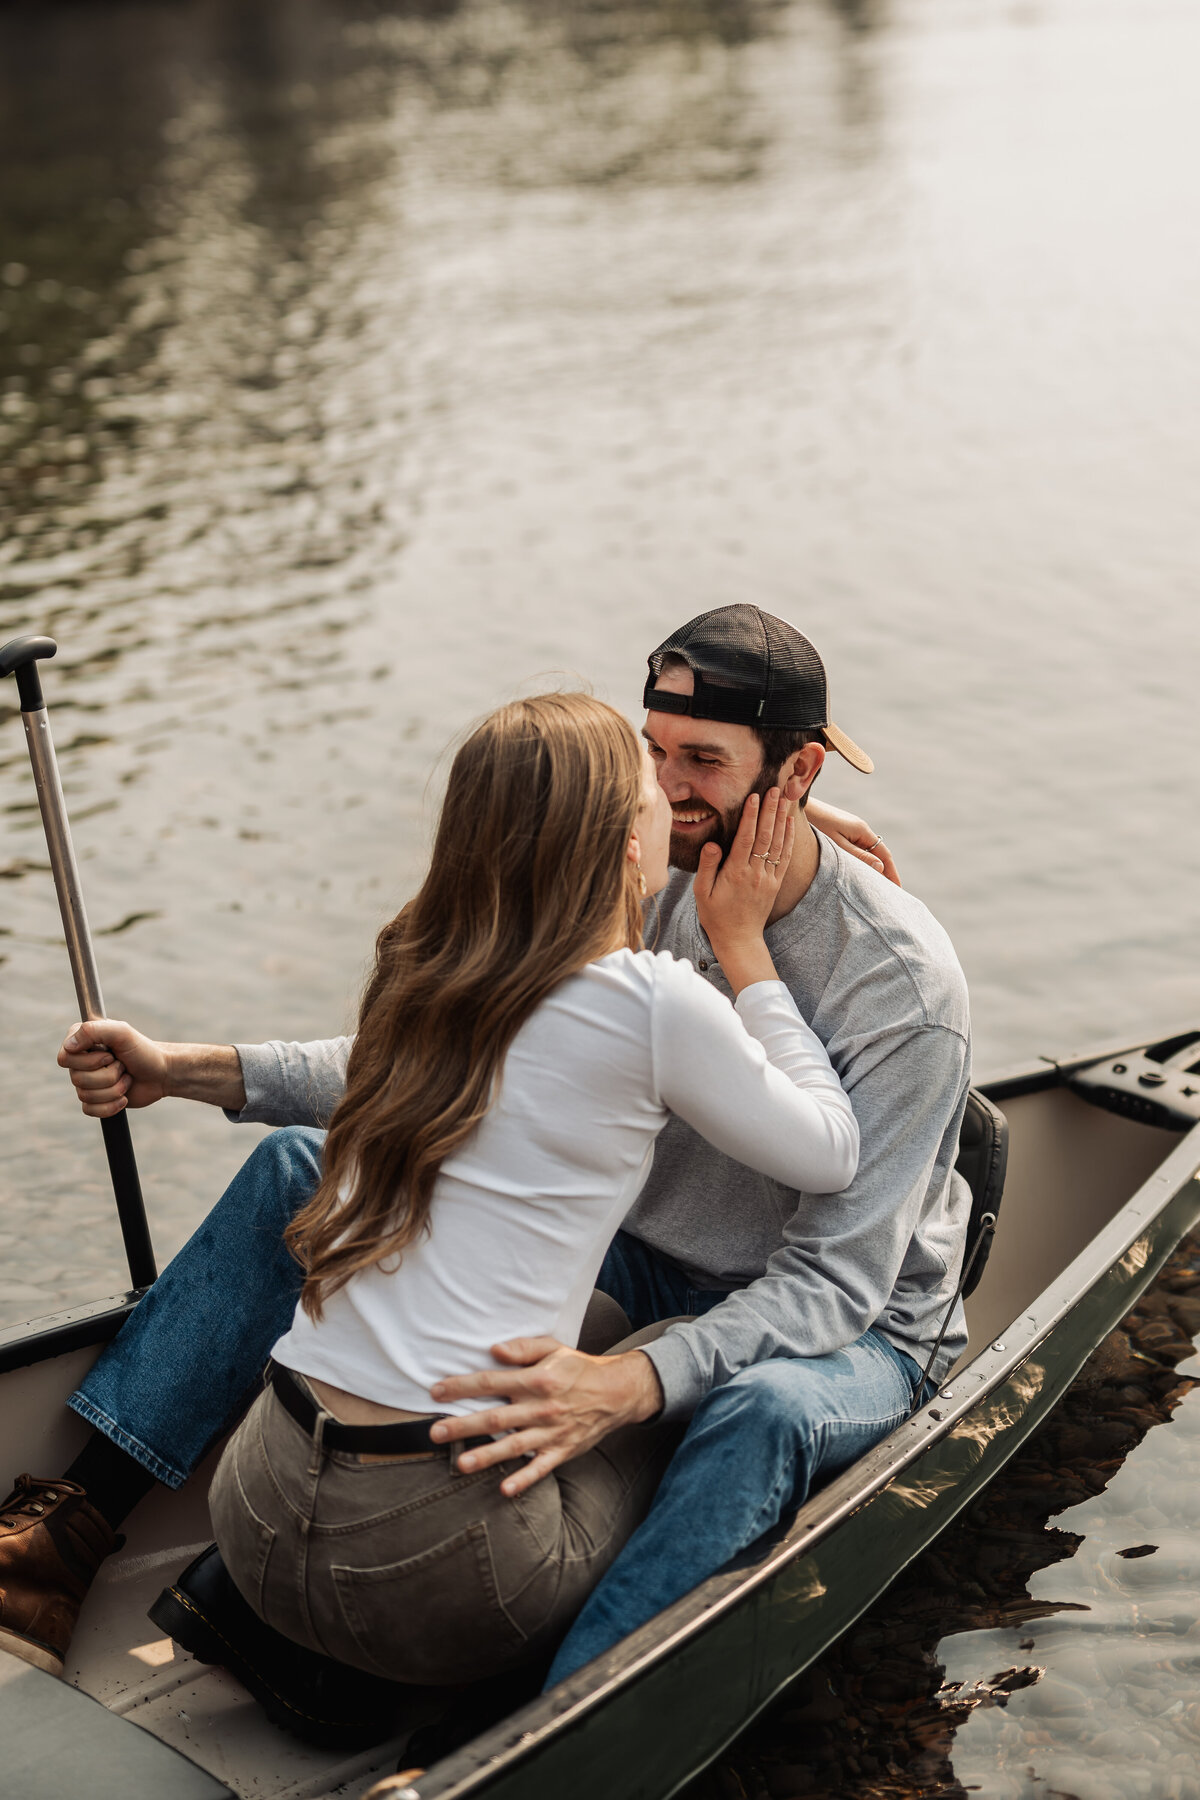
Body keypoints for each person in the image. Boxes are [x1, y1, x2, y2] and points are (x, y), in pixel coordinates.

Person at [0, 605, 968, 1705]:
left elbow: (837, 1278)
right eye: (652, 756)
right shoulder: (637, 875)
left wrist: (632, 1379)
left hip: (850, 1312)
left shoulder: (901, 983)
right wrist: (194, 1068)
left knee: (763, 1412)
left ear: (792, 773)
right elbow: (445, 1056)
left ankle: (545, 1726)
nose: (667, 785)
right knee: (299, 1171)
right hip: (642, 1249)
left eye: (702, 761)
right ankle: (60, 1541)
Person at [203, 691, 859, 1685]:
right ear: (625, 843)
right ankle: (533, 1710)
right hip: (440, 1570)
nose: (669, 802)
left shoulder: (421, 972)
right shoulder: (653, 1002)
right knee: (676, 1369)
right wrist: (750, 951)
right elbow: (829, 1153)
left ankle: (284, 1626)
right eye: (651, 789)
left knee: (592, 1313)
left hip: (253, 1502)